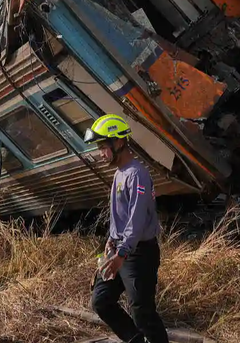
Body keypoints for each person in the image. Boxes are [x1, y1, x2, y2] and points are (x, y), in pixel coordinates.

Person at [86, 114, 169, 343]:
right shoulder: (119, 174)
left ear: (119, 142)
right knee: (101, 301)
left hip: (138, 254)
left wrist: (122, 253)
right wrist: (111, 241)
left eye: (103, 147)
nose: (101, 153)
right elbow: (120, 216)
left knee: (142, 313)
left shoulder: (137, 174)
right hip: (119, 250)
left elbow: (136, 219)